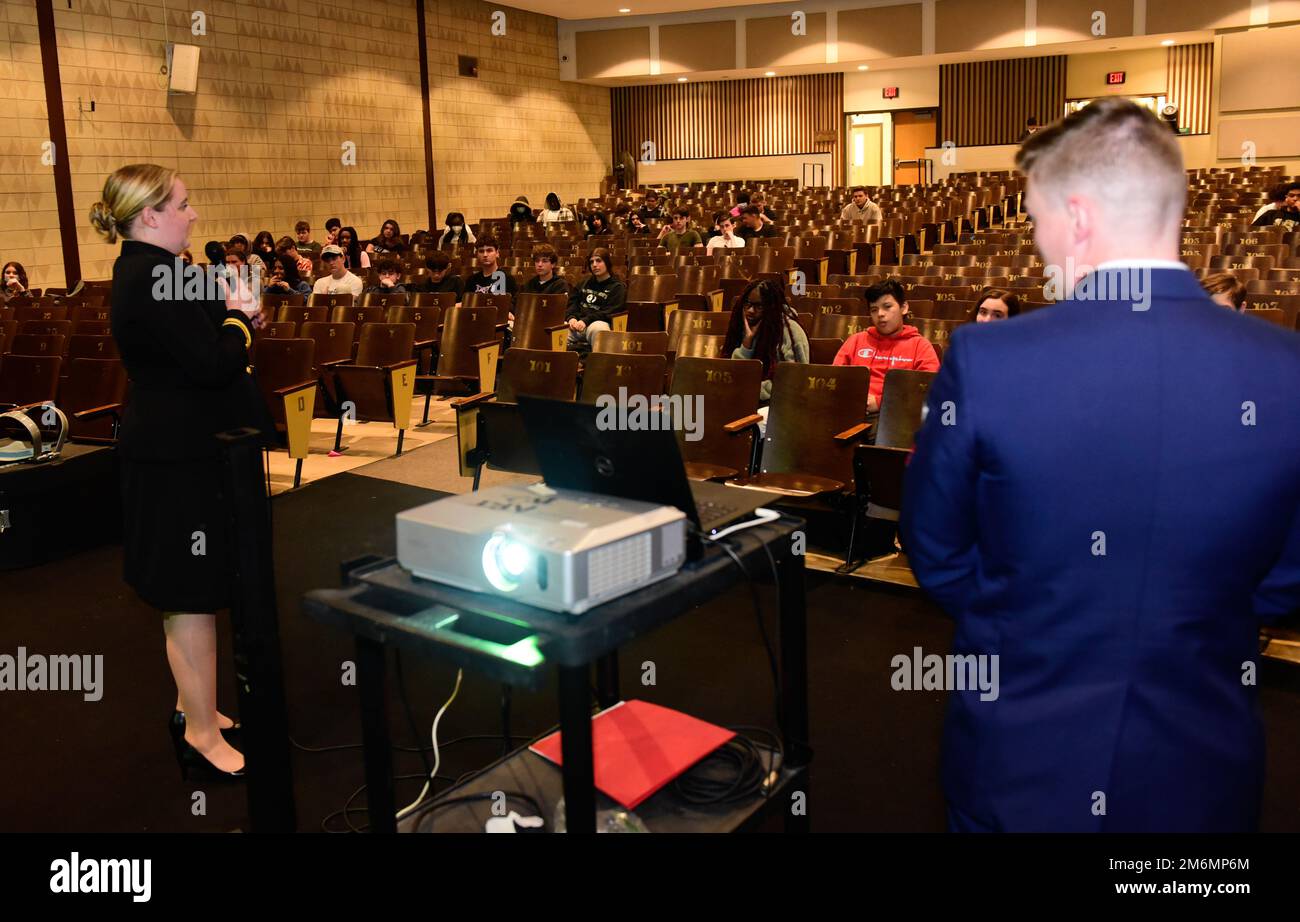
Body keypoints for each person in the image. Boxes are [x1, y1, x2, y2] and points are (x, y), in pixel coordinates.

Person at [901, 98, 1300, 833]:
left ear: (1078, 217)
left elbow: (935, 548)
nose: (1038, 238)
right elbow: (1284, 577)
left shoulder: (989, 360)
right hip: (1199, 766)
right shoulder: (1286, 369)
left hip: (1019, 753)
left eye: (1035, 216)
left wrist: (1024, 616)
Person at [91, 163, 272, 781]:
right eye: (184, 205)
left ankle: (197, 707)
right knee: (189, 595)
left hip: (183, 448)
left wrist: (236, 321)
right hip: (177, 457)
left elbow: (210, 341)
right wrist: (241, 319)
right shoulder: (152, 276)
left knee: (195, 590)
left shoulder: (157, 272)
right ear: (150, 216)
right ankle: (199, 731)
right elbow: (211, 363)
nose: (194, 215)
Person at [831, 277, 940, 421]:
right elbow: (835, 379)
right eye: (874, 310)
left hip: (896, 416)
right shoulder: (856, 340)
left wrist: (880, 402)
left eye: (887, 306)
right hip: (851, 413)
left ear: (904, 308)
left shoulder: (920, 346)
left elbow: (930, 389)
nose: (880, 314)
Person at [722, 278, 809, 403]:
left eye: (758, 306)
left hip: (779, 403)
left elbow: (796, 381)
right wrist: (746, 346)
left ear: (771, 307)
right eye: (747, 304)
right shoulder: (741, 326)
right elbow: (733, 376)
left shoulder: (790, 331)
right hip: (745, 399)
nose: (750, 311)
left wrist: (753, 390)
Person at [565, 247, 625, 353]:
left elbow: (610, 312)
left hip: (597, 324)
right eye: (591, 262)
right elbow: (572, 303)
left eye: (598, 261)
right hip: (577, 325)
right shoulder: (584, 282)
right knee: (556, 331)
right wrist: (571, 318)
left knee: (598, 329)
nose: (594, 265)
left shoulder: (617, 287)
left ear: (607, 263)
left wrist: (586, 320)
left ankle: (598, 365)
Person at [222, 247, 264, 328]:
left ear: (244, 262)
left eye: (234, 262)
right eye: (227, 262)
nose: (230, 265)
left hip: (250, 321)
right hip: (230, 320)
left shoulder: (254, 280)